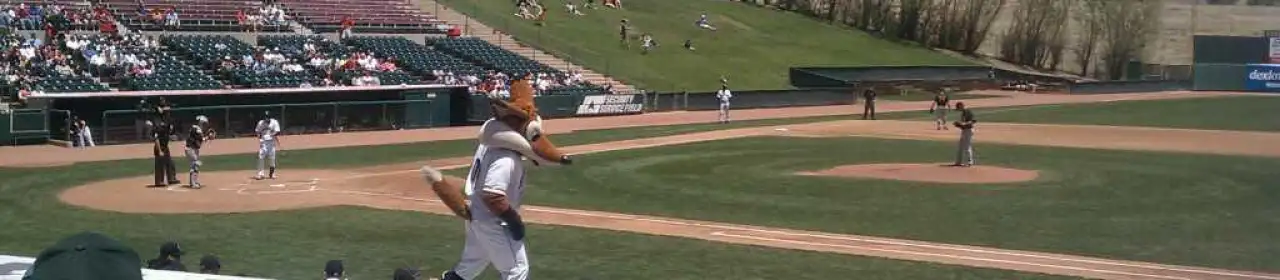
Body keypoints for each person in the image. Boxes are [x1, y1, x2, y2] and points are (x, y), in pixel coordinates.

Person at [424, 77, 574, 280]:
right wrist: (513, 220)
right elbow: (493, 195)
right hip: (493, 220)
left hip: (477, 215)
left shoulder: (488, 145)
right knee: (517, 269)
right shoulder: (506, 158)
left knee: (470, 266)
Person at [152, 105, 180, 187]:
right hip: (159, 146)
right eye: (167, 112)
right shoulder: (157, 122)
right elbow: (156, 138)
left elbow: (167, 134)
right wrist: (160, 150)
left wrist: (171, 137)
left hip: (165, 146)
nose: (169, 113)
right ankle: (159, 181)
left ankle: (171, 179)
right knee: (159, 165)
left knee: (170, 163)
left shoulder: (166, 121)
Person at [186, 115, 215, 188]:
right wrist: (209, 137)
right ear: (201, 122)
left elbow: (199, 140)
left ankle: (193, 182)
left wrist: (207, 137)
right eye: (204, 123)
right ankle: (193, 184)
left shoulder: (195, 128)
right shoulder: (197, 129)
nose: (205, 126)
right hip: (191, 149)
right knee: (195, 164)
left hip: (193, 149)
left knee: (195, 165)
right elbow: (201, 140)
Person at [255, 111, 281, 180]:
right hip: (263, 143)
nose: (266, 119)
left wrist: (272, 134)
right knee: (261, 157)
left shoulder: (274, 122)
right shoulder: (260, 123)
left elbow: (277, 131)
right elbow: (257, 131)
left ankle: (272, 173)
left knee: (272, 159)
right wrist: (260, 138)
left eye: (267, 117)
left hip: (271, 143)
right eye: (265, 117)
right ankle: (261, 174)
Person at [952, 102, 977, 167]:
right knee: (960, 146)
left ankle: (970, 162)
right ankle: (958, 162)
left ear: (961, 106)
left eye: (958, 108)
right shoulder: (963, 112)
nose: (958, 109)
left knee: (967, 146)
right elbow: (963, 124)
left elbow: (973, 120)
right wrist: (958, 125)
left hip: (968, 130)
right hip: (964, 131)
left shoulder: (968, 111)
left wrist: (963, 124)